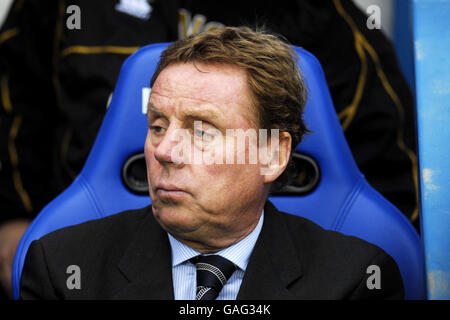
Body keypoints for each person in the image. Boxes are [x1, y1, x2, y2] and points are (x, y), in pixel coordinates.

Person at [19, 26, 404, 300]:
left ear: (271, 153)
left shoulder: (356, 280)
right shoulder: (63, 269)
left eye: (202, 131)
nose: (164, 151)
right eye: (157, 125)